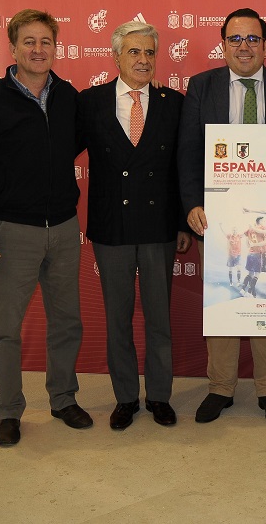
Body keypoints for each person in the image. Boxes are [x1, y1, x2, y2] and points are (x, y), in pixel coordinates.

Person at [0, 9, 92, 447]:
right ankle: (9, 409)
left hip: (66, 229)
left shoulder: (70, 97)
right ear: (12, 48)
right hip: (12, 231)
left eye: (46, 41)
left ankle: (63, 397)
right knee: (7, 327)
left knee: (67, 320)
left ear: (57, 46)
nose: (38, 49)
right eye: (29, 41)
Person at [178, 7, 266, 425]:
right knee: (225, 294)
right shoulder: (201, 86)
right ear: (223, 44)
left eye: (253, 39)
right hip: (218, 216)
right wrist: (190, 205)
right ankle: (221, 387)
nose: (244, 47)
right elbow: (186, 152)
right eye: (235, 39)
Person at [76, 21, 191, 431]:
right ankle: (125, 397)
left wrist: (182, 223)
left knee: (160, 319)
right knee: (117, 319)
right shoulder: (90, 102)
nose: (143, 60)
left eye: (149, 53)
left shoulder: (173, 102)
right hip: (112, 229)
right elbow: (59, 151)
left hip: (159, 227)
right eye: (134, 52)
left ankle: (159, 395)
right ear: (117, 57)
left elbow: (184, 168)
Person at [239, 216, 266, 298]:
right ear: (260, 222)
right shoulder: (262, 228)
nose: (264, 222)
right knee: (257, 274)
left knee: (250, 274)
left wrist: (250, 244)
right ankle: (249, 292)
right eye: (263, 221)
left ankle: (243, 289)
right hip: (258, 254)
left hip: (250, 253)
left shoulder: (250, 229)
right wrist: (255, 244)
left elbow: (244, 236)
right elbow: (264, 242)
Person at [219, 223, 243, 288]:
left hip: (238, 255)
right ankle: (231, 282)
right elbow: (224, 232)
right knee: (230, 269)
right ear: (232, 231)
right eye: (233, 230)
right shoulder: (229, 236)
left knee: (239, 268)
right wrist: (221, 226)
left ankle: (238, 281)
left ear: (237, 231)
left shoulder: (239, 236)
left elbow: (245, 233)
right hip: (231, 255)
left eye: (235, 230)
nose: (234, 231)